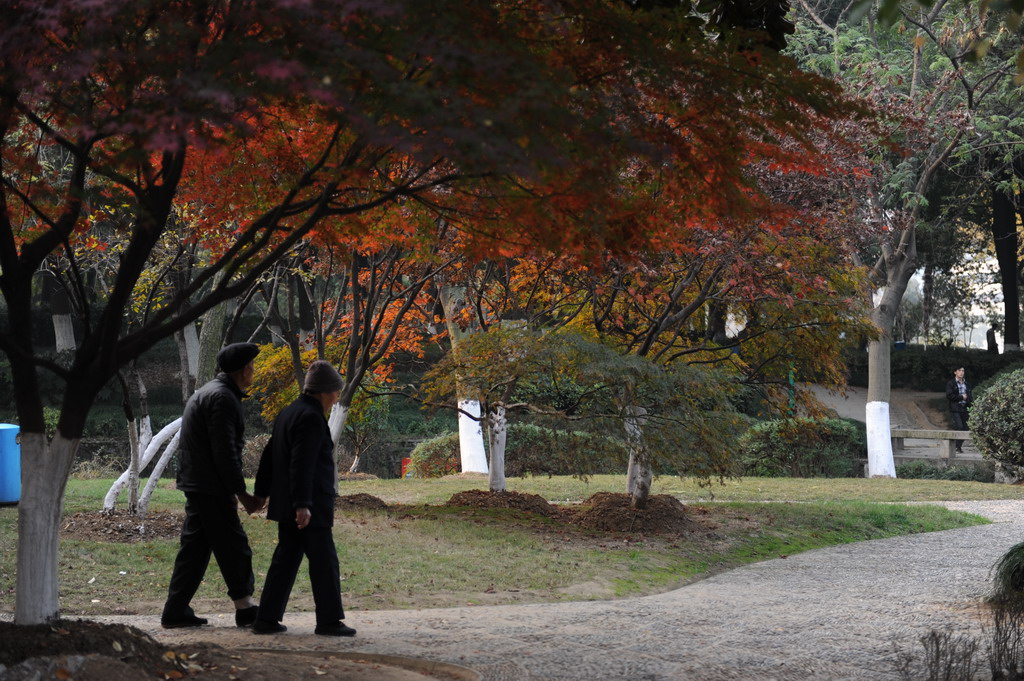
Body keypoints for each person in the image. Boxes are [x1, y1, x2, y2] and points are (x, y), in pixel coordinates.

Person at [161, 342, 266, 629]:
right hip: (209, 485)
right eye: (252, 367)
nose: (253, 371)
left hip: (199, 483)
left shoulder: (209, 392)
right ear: (244, 370)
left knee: (194, 550)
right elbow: (224, 451)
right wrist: (241, 493)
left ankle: (175, 611)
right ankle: (245, 608)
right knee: (234, 546)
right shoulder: (222, 399)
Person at [251, 360, 356, 637]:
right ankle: (329, 621)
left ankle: (266, 618)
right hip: (308, 504)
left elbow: (268, 457)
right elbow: (303, 463)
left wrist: (261, 493)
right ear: (324, 392)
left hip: (286, 503)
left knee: (285, 560)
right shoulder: (310, 418)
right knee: (324, 562)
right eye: (335, 393)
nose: (336, 399)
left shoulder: (289, 412)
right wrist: (303, 504)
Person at [945, 366, 971, 454]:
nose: (961, 372)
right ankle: (955, 446)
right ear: (955, 372)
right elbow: (949, 396)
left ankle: (957, 446)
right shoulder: (951, 383)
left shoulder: (966, 383)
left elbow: (970, 396)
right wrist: (961, 397)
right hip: (956, 408)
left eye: (963, 370)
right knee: (959, 427)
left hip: (965, 407)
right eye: (959, 370)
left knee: (966, 428)